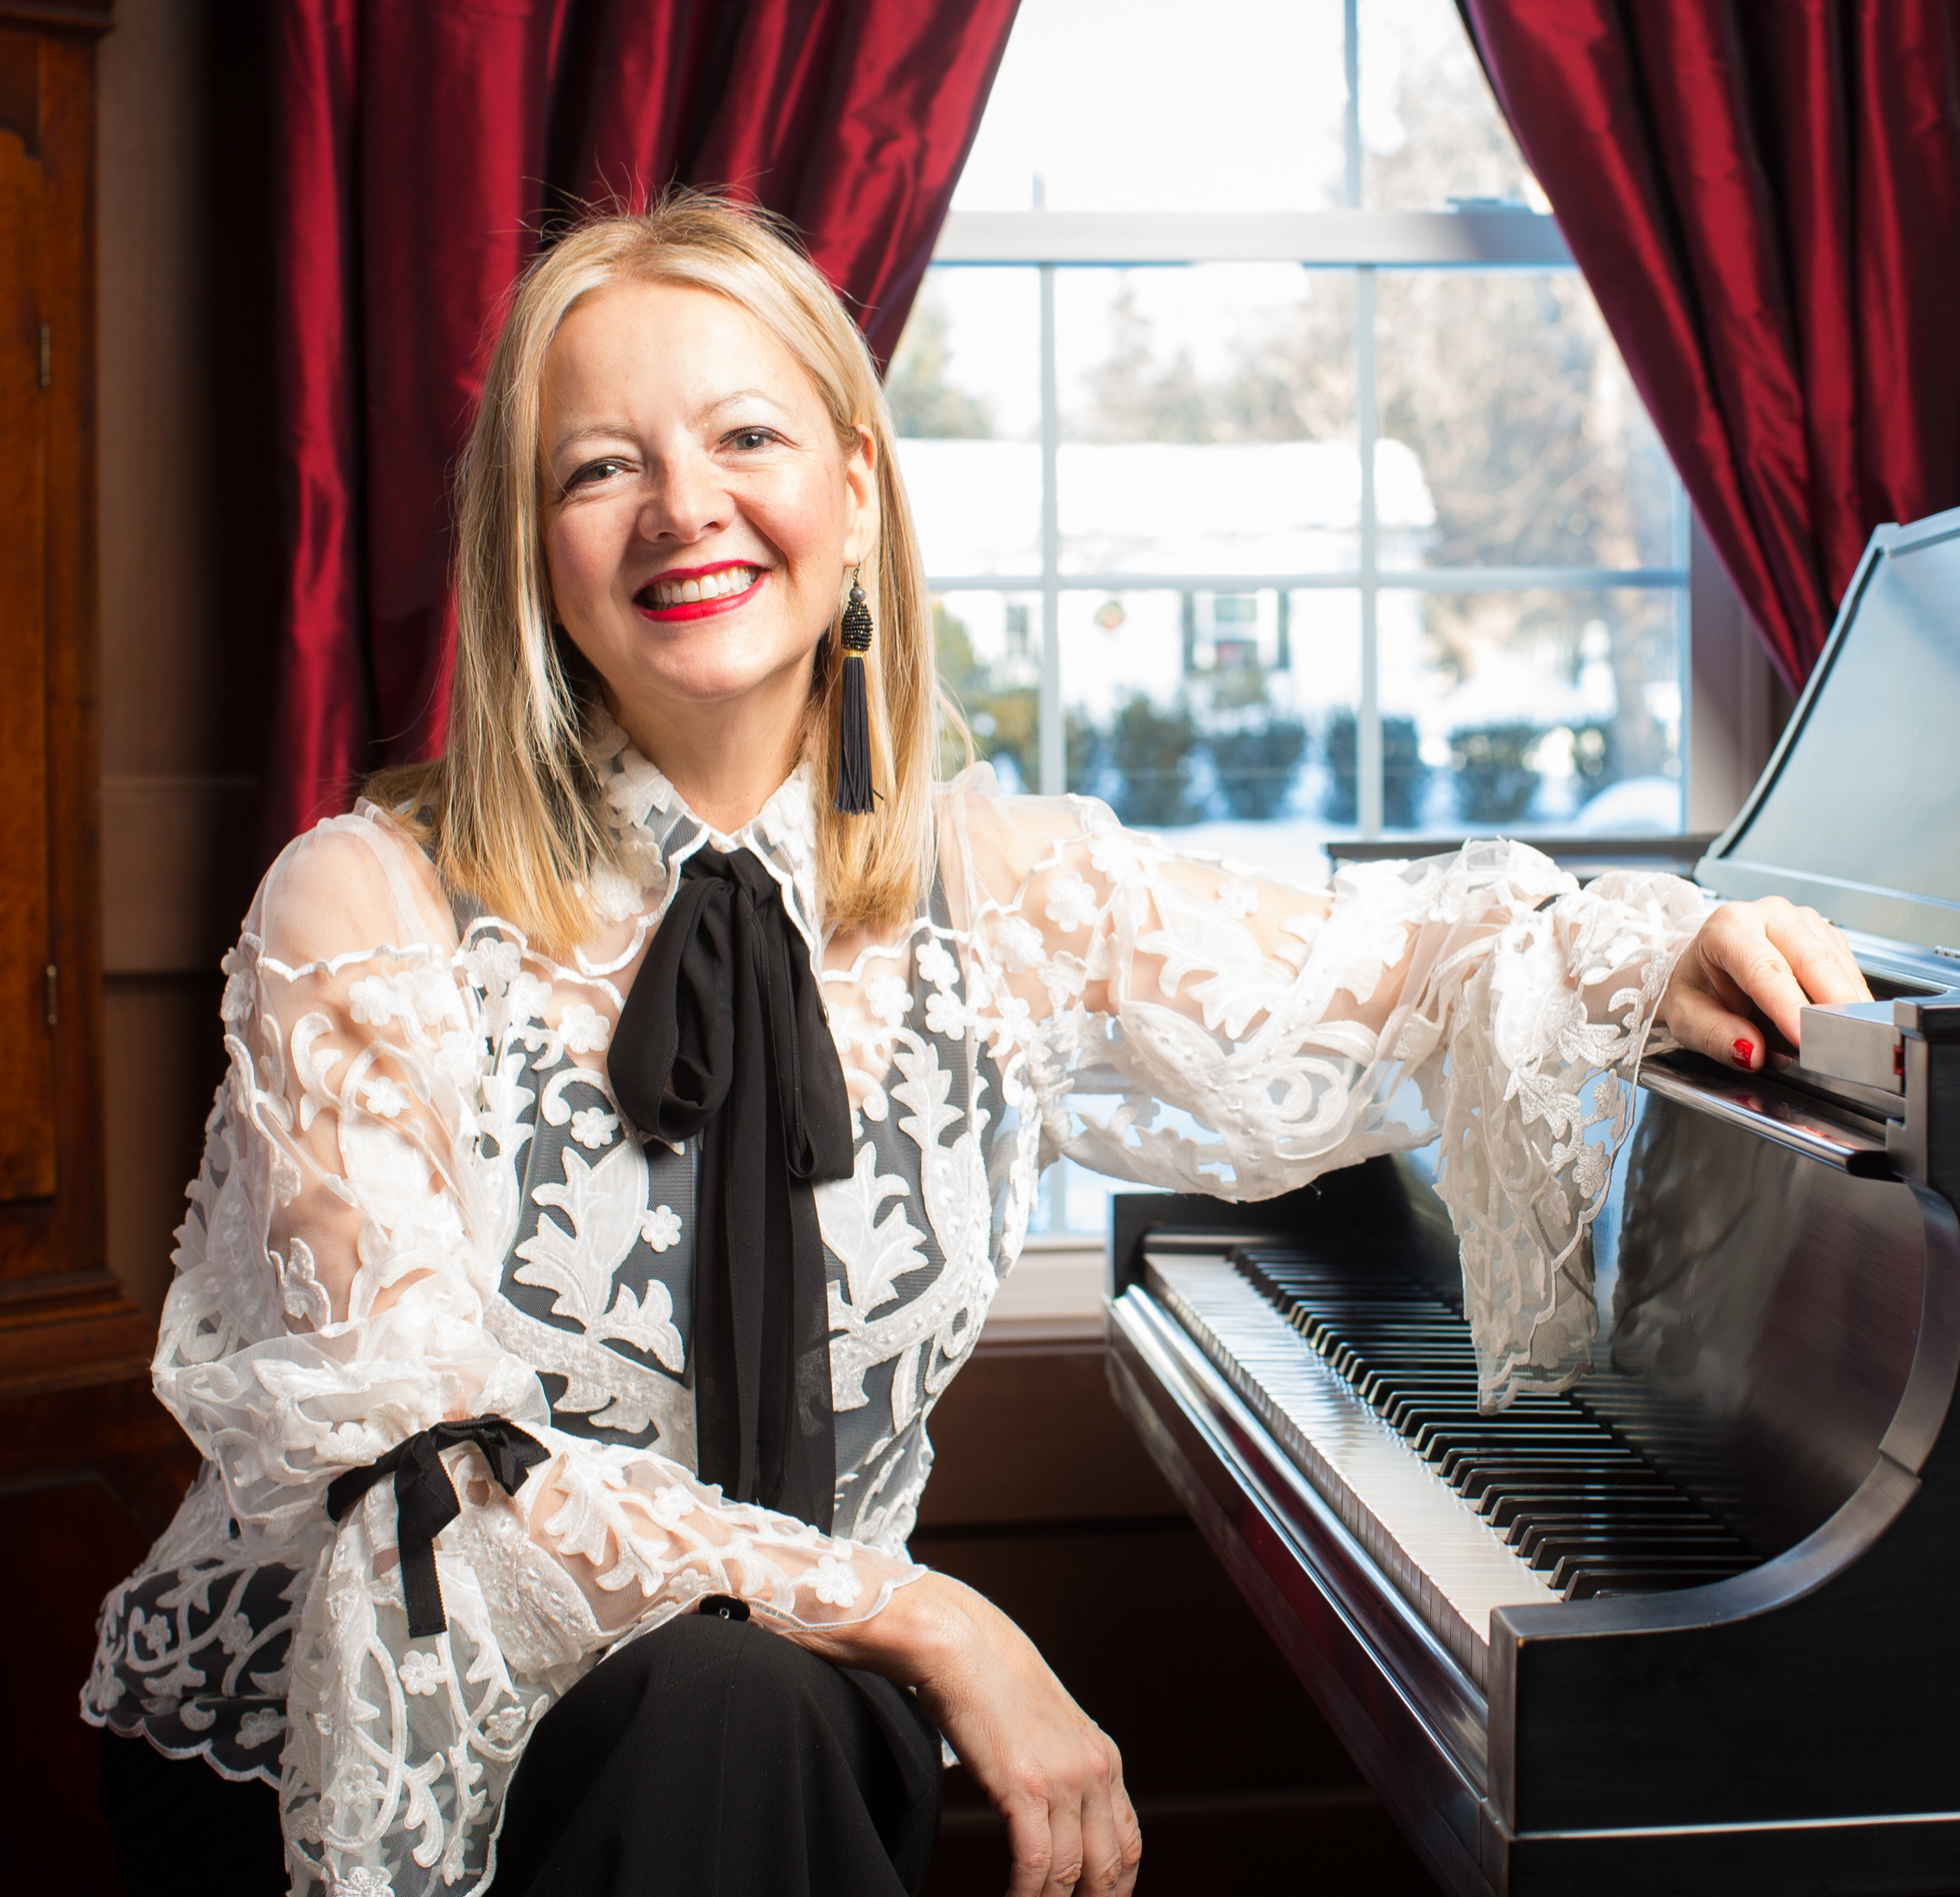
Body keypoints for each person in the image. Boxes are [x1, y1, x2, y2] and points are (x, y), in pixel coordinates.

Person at [84, 192, 1870, 1897]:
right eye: (599, 467)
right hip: (371, 1754)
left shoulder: (1004, 888)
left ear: (854, 495)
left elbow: (1393, 965)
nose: (681, 510)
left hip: (765, 1719)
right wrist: (932, 1613)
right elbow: (428, 1484)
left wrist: (1658, 944)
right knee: (748, 1702)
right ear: (532, 551)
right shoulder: (359, 903)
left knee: (751, 1710)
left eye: (745, 443)